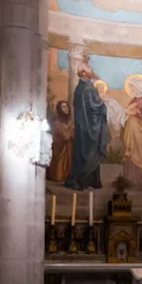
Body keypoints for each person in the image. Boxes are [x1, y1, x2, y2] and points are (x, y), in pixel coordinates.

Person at [65, 62, 110, 190]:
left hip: (82, 126)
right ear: (85, 73)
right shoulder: (89, 88)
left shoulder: (80, 87)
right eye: (90, 69)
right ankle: (85, 181)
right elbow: (95, 107)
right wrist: (103, 105)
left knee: (82, 152)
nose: (92, 70)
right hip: (90, 128)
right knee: (90, 154)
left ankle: (89, 181)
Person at [122, 75, 142, 190]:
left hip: (139, 131)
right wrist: (129, 112)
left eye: (133, 87)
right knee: (129, 152)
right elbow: (127, 111)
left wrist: (136, 114)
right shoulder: (134, 99)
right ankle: (128, 180)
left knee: (139, 154)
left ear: (138, 86)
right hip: (130, 128)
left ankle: (139, 181)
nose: (132, 90)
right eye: (130, 88)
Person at [47, 100, 74, 184]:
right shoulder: (55, 120)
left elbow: (73, 133)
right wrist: (68, 130)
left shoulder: (71, 120)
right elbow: (65, 135)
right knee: (58, 175)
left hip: (69, 147)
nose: (65, 108)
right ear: (59, 108)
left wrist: (68, 130)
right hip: (59, 146)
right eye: (63, 106)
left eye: (66, 106)